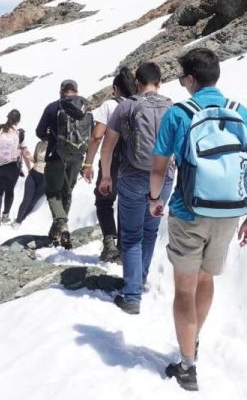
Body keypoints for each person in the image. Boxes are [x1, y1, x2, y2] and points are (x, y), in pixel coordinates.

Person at [149, 48, 247, 392]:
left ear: (190, 79)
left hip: (189, 211)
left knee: (184, 287)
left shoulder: (179, 113)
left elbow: (158, 167)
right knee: (206, 279)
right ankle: (193, 340)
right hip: (229, 213)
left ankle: (187, 365)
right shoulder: (240, 113)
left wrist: (156, 200)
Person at [99, 62, 173, 315]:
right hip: (164, 177)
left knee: (131, 236)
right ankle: (138, 280)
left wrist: (106, 176)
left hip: (132, 176)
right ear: (160, 82)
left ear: (137, 83)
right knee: (150, 231)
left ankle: (131, 296)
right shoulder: (171, 107)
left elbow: (107, 147)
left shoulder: (126, 106)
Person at [82, 68, 138, 263]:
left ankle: (109, 243)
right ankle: (124, 249)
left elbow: (97, 136)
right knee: (126, 202)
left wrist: (88, 163)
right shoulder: (140, 105)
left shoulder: (109, 105)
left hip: (112, 159)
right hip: (135, 162)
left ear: (115, 88)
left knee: (104, 201)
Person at [36, 79, 93, 248]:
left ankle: (62, 225)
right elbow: (90, 133)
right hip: (77, 157)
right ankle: (57, 232)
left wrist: (50, 137)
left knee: (53, 193)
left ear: (61, 90)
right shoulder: (85, 107)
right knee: (67, 193)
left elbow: (39, 132)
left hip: (56, 156)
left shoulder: (53, 107)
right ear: (76, 90)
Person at [0, 109, 25, 227]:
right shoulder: (20, 133)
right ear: (18, 121)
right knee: (9, 191)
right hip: (13, 167)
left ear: (7, 117)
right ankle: (5, 216)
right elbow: (24, 150)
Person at [14, 139, 48, 226]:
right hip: (33, 174)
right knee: (27, 199)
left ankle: (22, 218)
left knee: (33, 201)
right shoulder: (40, 144)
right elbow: (36, 160)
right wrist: (29, 157)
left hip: (45, 179)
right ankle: (18, 221)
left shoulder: (57, 146)